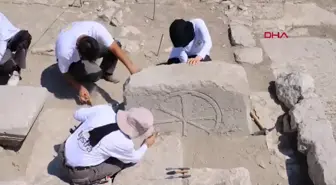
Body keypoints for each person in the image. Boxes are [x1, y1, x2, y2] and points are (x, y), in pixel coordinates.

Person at [59, 104, 156, 185]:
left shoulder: (105, 109)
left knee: (87, 123)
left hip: (62, 151)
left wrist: (94, 115)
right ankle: (95, 180)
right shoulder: (124, 143)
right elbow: (134, 158)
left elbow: (77, 114)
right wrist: (146, 145)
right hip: (77, 173)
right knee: (120, 162)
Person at [55, 21, 140, 104]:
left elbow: (114, 47)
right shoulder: (65, 52)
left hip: (79, 42)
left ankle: (107, 73)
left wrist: (132, 67)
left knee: (117, 44)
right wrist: (79, 87)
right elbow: (65, 74)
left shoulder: (96, 28)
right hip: (70, 60)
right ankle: (90, 72)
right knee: (96, 75)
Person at [0, 12, 32, 86]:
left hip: (9, 41)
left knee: (25, 37)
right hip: (3, 44)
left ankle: (15, 70)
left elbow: (2, 40)